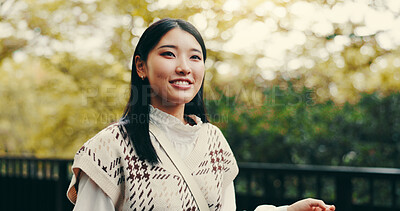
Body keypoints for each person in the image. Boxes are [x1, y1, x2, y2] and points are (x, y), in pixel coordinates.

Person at [66, 18, 335, 211]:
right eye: (169, 54)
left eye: (195, 58)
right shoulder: (109, 147)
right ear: (141, 66)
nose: (184, 67)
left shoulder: (213, 141)